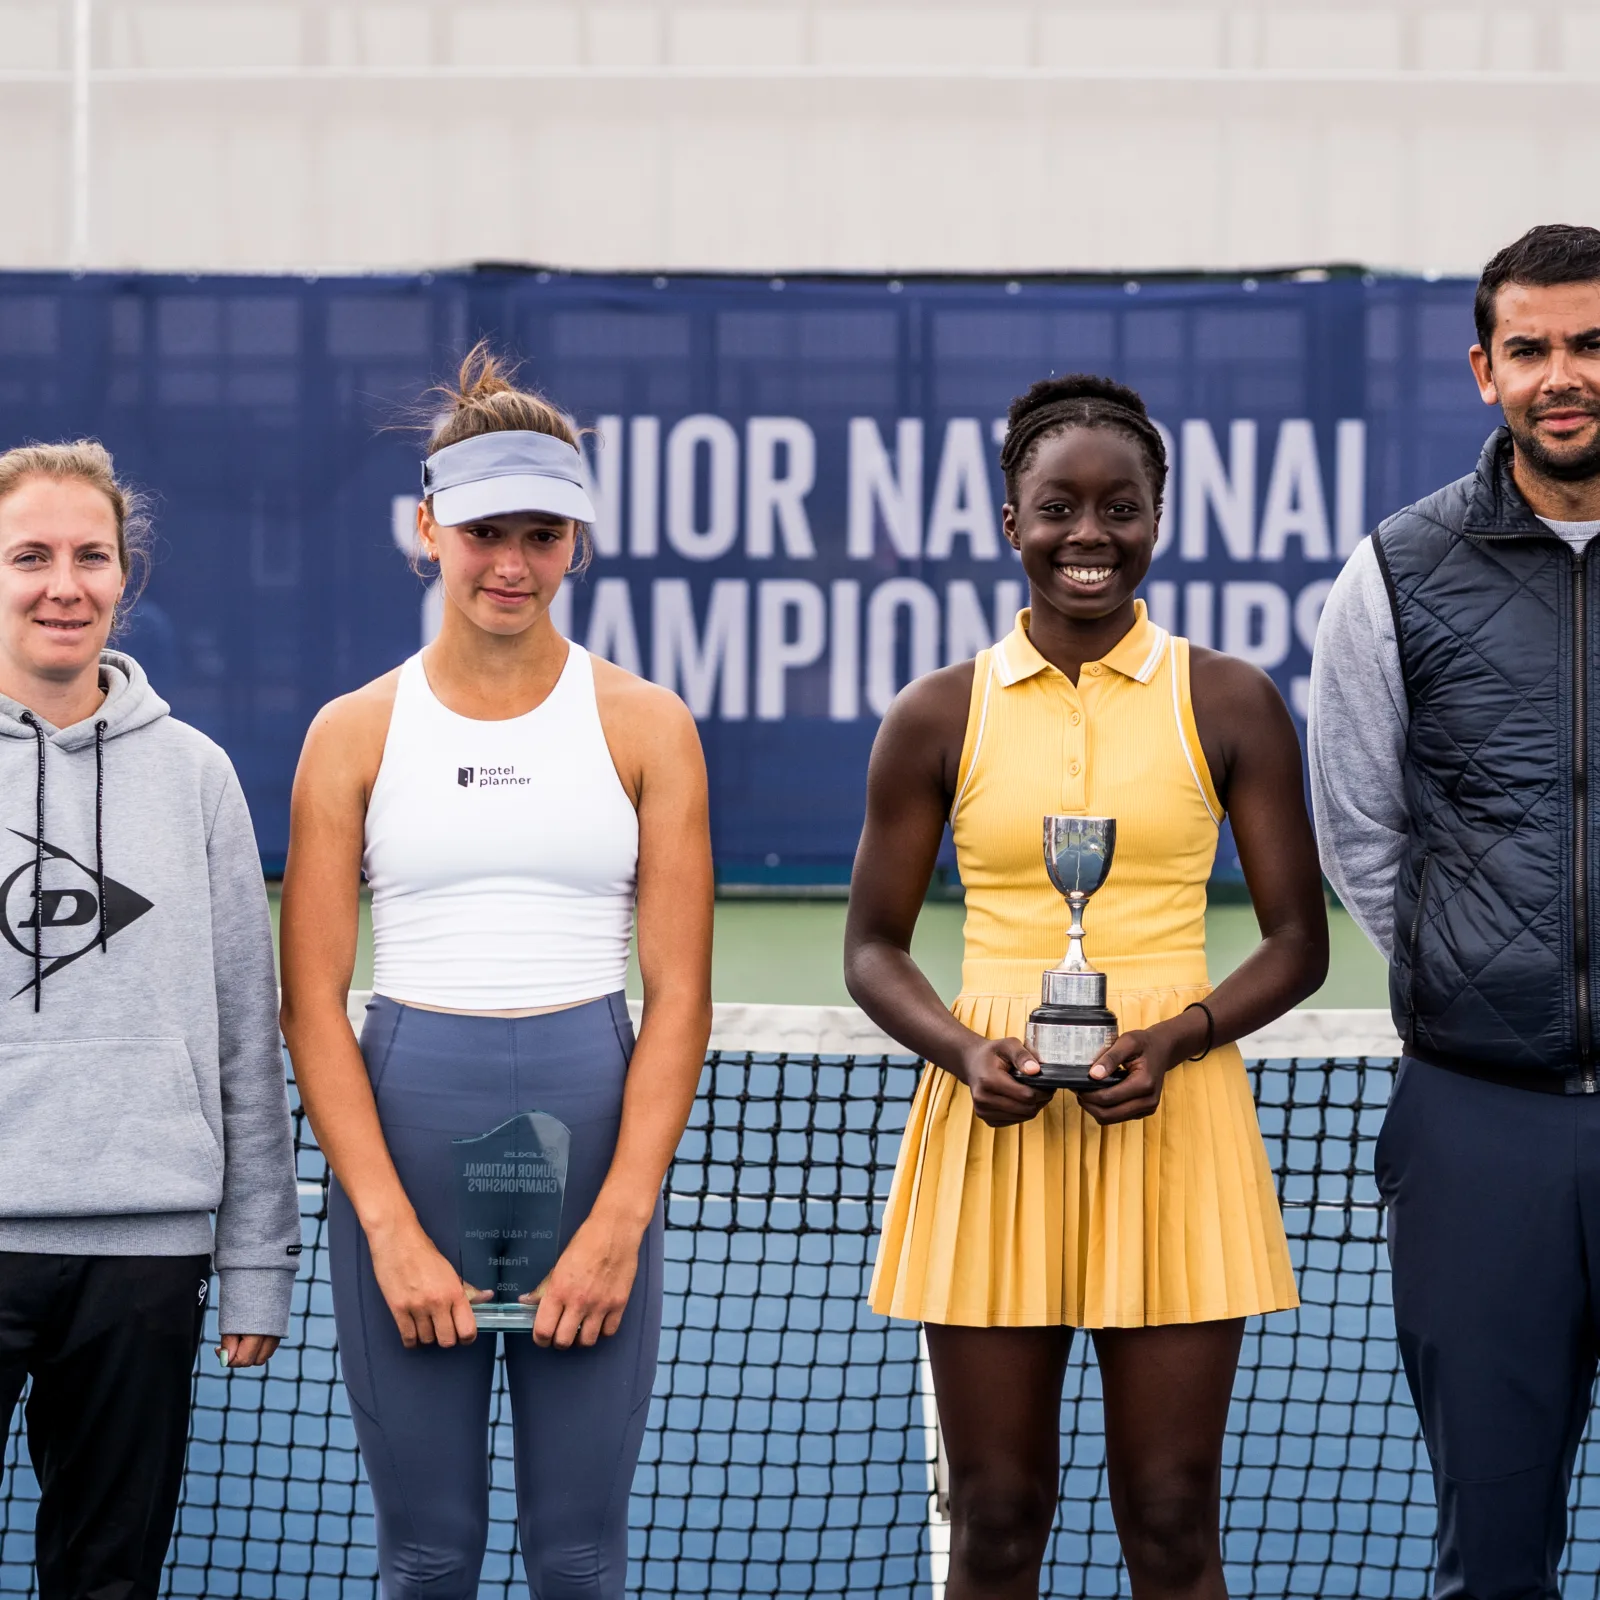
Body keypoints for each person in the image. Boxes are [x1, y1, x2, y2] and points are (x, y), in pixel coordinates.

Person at [846, 375, 1327, 1600]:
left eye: (1120, 507)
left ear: (1158, 516)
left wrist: (1179, 1036)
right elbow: (873, 948)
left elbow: (1295, 941)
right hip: (989, 1130)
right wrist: (963, 1052)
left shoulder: (1229, 701)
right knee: (996, 1523)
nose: (1088, 536)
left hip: (1175, 1125)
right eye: (1057, 507)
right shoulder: (935, 714)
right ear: (1011, 520)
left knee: (1171, 1523)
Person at [279, 346, 713, 1600]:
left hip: (595, 1150)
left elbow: (677, 993)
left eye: (541, 532)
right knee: (426, 1553)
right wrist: (388, 1231)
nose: (510, 563)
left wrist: (621, 1220)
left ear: (577, 539)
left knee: (580, 1556)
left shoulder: (648, 726)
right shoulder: (351, 734)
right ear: (428, 527)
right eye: (482, 531)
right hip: (404, 1149)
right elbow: (315, 999)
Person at [1309, 222, 1600, 1596]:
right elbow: (1362, 831)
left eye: (1591, 344)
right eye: (1532, 348)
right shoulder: (1393, 573)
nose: (1565, 374)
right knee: (1493, 1559)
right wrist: (1477, 971)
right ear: (1483, 369)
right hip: (1479, 1128)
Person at [0, 441, 298, 1599]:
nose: (62, 583)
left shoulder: (197, 775)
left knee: (108, 1575)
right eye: (30, 555)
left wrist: (256, 1261)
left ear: (126, 576)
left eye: (91, 555)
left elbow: (245, 1034)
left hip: (147, 1258)